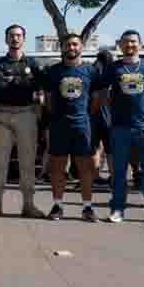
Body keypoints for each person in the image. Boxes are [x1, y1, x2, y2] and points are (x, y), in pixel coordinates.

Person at [99, 30, 144, 224]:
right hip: (120, 127)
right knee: (119, 171)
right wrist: (114, 109)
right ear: (120, 45)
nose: (130, 45)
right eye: (126, 42)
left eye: (133, 42)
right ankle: (117, 209)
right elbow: (103, 95)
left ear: (140, 44)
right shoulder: (113, 68)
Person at [0, 24, 45, 218]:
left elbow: (42, 91)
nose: (15, 39)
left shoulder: (33, 64)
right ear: (6, 39)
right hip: (2, 115)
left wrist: (40, 112)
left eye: (19, 35)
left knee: (27, 162)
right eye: (11, 35)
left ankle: (29, 205)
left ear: (23, 39)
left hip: (26, 114)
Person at [44, 34, 100, 222]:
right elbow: (49, 100)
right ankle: (57, 206)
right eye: (68, 45)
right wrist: (57, 117)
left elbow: (97, 99)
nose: (71, 48)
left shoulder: (90, 71)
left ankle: (87, 207)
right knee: (57, 168)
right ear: (62, 48)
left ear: (81, 47)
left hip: (82, 125)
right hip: (59, 125)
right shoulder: (53, 71)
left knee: (85, 168)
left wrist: (85, 116)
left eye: (75, 44)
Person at [92, 50, 116, 186]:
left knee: (95, 148)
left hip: (95, 117)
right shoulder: (113, 75)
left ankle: (95, 176)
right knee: (111, 150)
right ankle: (113, 177)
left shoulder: (93, 74)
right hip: (110, 118)